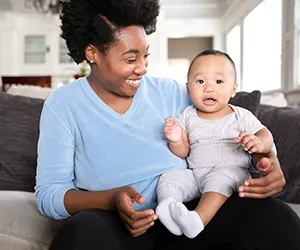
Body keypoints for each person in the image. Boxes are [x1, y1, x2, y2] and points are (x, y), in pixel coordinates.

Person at [35, 0, 300, 249]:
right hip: (113, 222)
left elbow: (225, 134)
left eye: (145, 56)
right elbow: (50, 194)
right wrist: (110, 199)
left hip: (187, 213)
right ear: (92, 53)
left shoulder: (174, 93)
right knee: (80, 235)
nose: (142, 68)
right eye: (130, 59)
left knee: (277, 218)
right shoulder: (63, 105)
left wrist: (265, 161)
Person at [155, 49, 274, 239]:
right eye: (200, 81)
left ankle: (198, 220)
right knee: (170, 177)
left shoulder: (240, 115)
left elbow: (265, 134)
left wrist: (259, 142)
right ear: (188, 89)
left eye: (218, 82)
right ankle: (169, 208)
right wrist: (176, 139)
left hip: (231, 172)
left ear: (234, 89)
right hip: (196, 174)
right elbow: (183, 151)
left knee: (221, 177)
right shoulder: (187, 115)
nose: (209, 88)